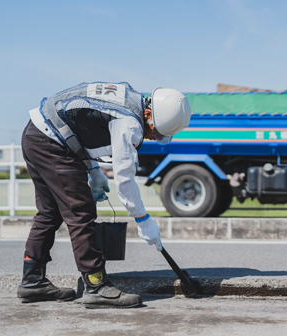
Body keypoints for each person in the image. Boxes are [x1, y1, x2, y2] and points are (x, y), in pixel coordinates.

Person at [17, 82, 191, 308]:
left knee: (50, 212)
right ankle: (97, 286)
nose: (152, 138)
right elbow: (124, 179)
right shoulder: (129, 122)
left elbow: (78, 129)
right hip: (50, 141)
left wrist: (93, 170)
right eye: (155, 132)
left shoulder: (127, 100)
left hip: (37, 134)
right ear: (148, 114)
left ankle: (32, 281)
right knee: (80, 212)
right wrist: (143, 219)